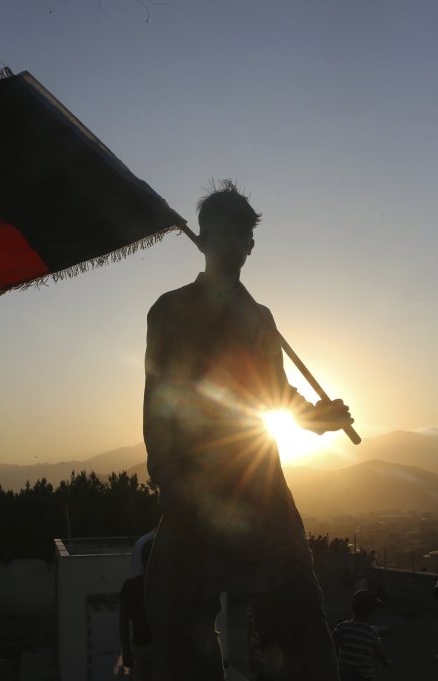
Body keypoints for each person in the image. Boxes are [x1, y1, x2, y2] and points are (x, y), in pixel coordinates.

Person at [142, 180, 354, 681]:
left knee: (301, 622)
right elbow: (159, 404)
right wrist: (170, 485)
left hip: (260, 487)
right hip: (193, 491)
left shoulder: (260, 318)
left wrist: (319, 419)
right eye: (230, 232)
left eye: (247, 236)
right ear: (206, 234)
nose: (241, 244)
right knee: (174, 623)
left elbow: (276, 398)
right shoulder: (170, 310)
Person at [332, 589, 391, 681]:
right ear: (372, 611)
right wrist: (386, 662)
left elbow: (333, 647)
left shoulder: (342, 627)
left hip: (343, 675)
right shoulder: (372, 633)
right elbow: (378, 653)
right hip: (364, 677)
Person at [120, 539, 155, 680]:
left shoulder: (130, 586)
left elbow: (122, 621)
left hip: (139, 649)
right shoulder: (165, 588)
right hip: (160, 651)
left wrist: (126, 651)